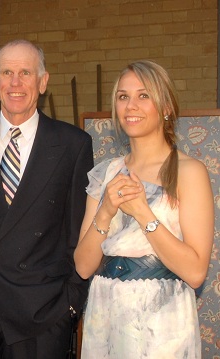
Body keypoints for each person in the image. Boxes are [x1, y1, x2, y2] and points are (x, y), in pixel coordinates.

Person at [0, 39, 93, 358]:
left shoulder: (72, 144)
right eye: (7, 72)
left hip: (42, 313)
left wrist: (70, 303)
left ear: (43, 81)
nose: (15, 82)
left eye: (25, 72)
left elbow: (78, 233)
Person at [74, 60, 213, 358]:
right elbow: (83, 267)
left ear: (166, 108)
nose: (130, 106)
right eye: (123, 96)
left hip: (162, 323)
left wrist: (144, 214)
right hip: (104, 316)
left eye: (143, 95)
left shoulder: (189, 171)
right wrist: (106, 210)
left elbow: (196, 272)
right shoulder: (105, 174)